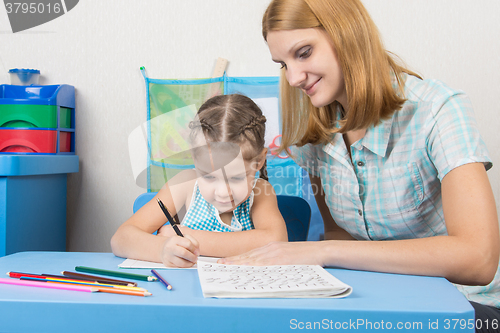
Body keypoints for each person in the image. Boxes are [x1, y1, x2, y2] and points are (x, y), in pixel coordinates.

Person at [220, 0, 500, 330]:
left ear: (347, 35)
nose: (294, 77)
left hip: (465, 306)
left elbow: (478, 259)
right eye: (283, 64)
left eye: (304, 52)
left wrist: (322, 253)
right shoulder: (315, 137)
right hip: (380, 302)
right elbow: (339, 235)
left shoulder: (438, 110)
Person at [111, 94, 288, 268]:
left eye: (236, 178)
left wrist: (189, 236)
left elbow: (276, 240)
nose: (223, 192)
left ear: (259, 161)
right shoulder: (185, 185)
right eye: (209, 176)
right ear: (194, 159)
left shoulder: (260, 192)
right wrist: (162, 249)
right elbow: (121, 239)